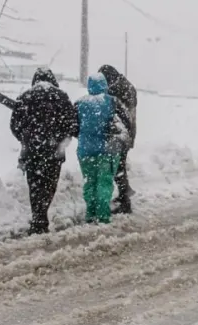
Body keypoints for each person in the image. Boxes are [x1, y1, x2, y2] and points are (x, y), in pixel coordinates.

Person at [10, 68, 79, 235]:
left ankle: (37, 219)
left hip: (32, 151)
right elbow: (72, 123)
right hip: (54, 151)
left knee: (34, 185)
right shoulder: (61, 97)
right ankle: (42, 216)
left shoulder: (25, 96)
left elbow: (14, 125)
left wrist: (26, 139)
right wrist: (61, 139)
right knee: (49, 185)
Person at [75, 73, 129, 225]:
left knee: (90, 182)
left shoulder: (80, 103)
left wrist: (85, 136)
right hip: (107, 150)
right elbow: (125, 122)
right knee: (104, 182)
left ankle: (90, 214)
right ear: (105, 85)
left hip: (85, 150)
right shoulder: (112, 101)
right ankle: (103, 215)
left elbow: (73, 126)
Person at [99, 65, 137, 215]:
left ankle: (125, 199)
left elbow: (116, 111)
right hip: (127, 132)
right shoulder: (127, 86)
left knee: (117, 166)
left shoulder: (116, 89)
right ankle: (124, 194)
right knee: (119, 165)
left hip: (119, 133)